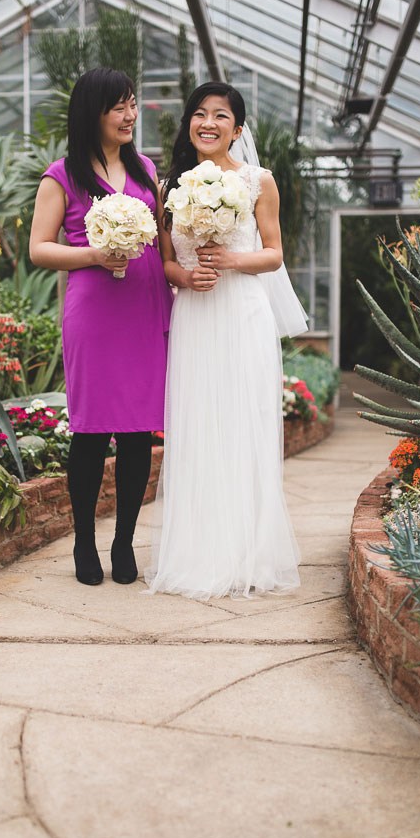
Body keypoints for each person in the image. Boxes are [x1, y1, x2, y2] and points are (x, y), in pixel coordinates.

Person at [145, 81, 306, 600]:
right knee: (197, 427)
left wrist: (232, 260)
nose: (207, 123)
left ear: (237, 129)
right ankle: (198, 554)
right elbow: (168, 260)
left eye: (220, 115)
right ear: (189, 123)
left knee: (243, 425)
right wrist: (185, 277)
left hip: (243, 312)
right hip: (196, 313)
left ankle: (249, 554)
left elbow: (274, 254)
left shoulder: (259, 180)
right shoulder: (171, 185)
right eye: (198, 113)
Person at [30, 68, 173, 586]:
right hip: (93, 311)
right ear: (93, 113)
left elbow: (162, 242)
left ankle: (124, 542)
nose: (130, 115)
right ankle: (84, 542)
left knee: (138, 434)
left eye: (133, 104)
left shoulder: (146, 169)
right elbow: (38, 249)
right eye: (119, 106)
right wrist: (94, 253)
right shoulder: (61, 175)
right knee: (90, 434)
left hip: (142, 307)